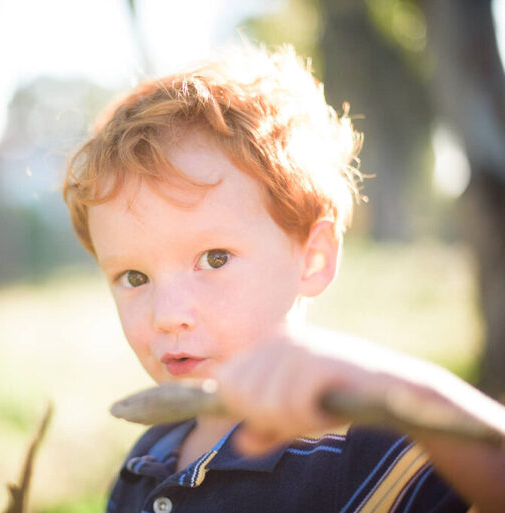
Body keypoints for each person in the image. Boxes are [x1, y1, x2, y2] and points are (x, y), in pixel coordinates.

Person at [62, 45, 505, 513]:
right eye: (134, 276)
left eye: (214, 259)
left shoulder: (368, 453)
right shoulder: (147, 459)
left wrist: (413, 399)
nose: (167, 315)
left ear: (312, 259)